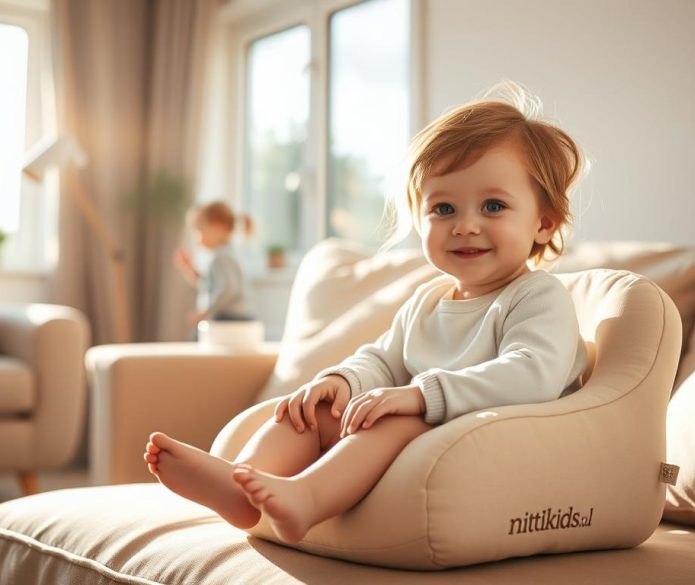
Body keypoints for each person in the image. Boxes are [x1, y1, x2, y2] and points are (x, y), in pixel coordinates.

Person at [145, 81, 589, 545]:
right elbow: (382, 359)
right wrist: (342, 382)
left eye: (493, 205)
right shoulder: (428, 301)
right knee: (312, 410)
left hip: (498, 453)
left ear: (543, 222)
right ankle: (241, 485)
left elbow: (531, 375)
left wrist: (420, 397)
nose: (465, 225)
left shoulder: (537, 297)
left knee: (396, 418)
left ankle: (307, 498)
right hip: (425, 441)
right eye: (443, 208)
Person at [176, 201, 255, 327]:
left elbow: (228, 289)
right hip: (231, 318)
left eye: (199, 231)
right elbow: (208, 284)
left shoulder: (222, 257)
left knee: (198, 335)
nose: (197, 238)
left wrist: (206, 311)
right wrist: (190, 268)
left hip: (230, 319)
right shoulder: (224, 255)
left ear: (217, 227)